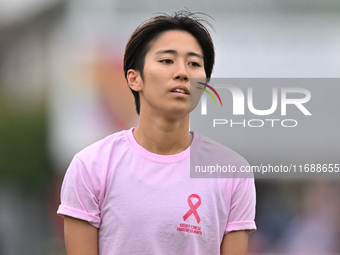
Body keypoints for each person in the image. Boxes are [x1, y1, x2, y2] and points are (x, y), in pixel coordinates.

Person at [57, 10, 256, 255]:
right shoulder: (92, 166)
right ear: (134, 79)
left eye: (194, 63)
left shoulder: (232, 171)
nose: (183, 73)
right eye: (167, 61)